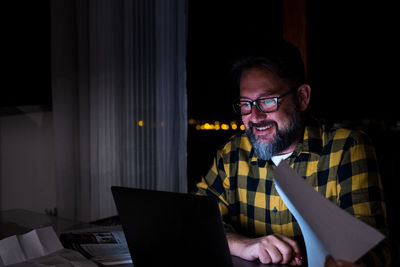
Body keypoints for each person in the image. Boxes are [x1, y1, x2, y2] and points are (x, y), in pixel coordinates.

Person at [193, 40, 390, 266]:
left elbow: (376, 252)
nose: (254, 116)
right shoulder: (232, 154)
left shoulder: (347, 148)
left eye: (267, 101)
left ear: (302, 97)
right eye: (246, 104)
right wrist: (242, 243)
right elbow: (193, 221)